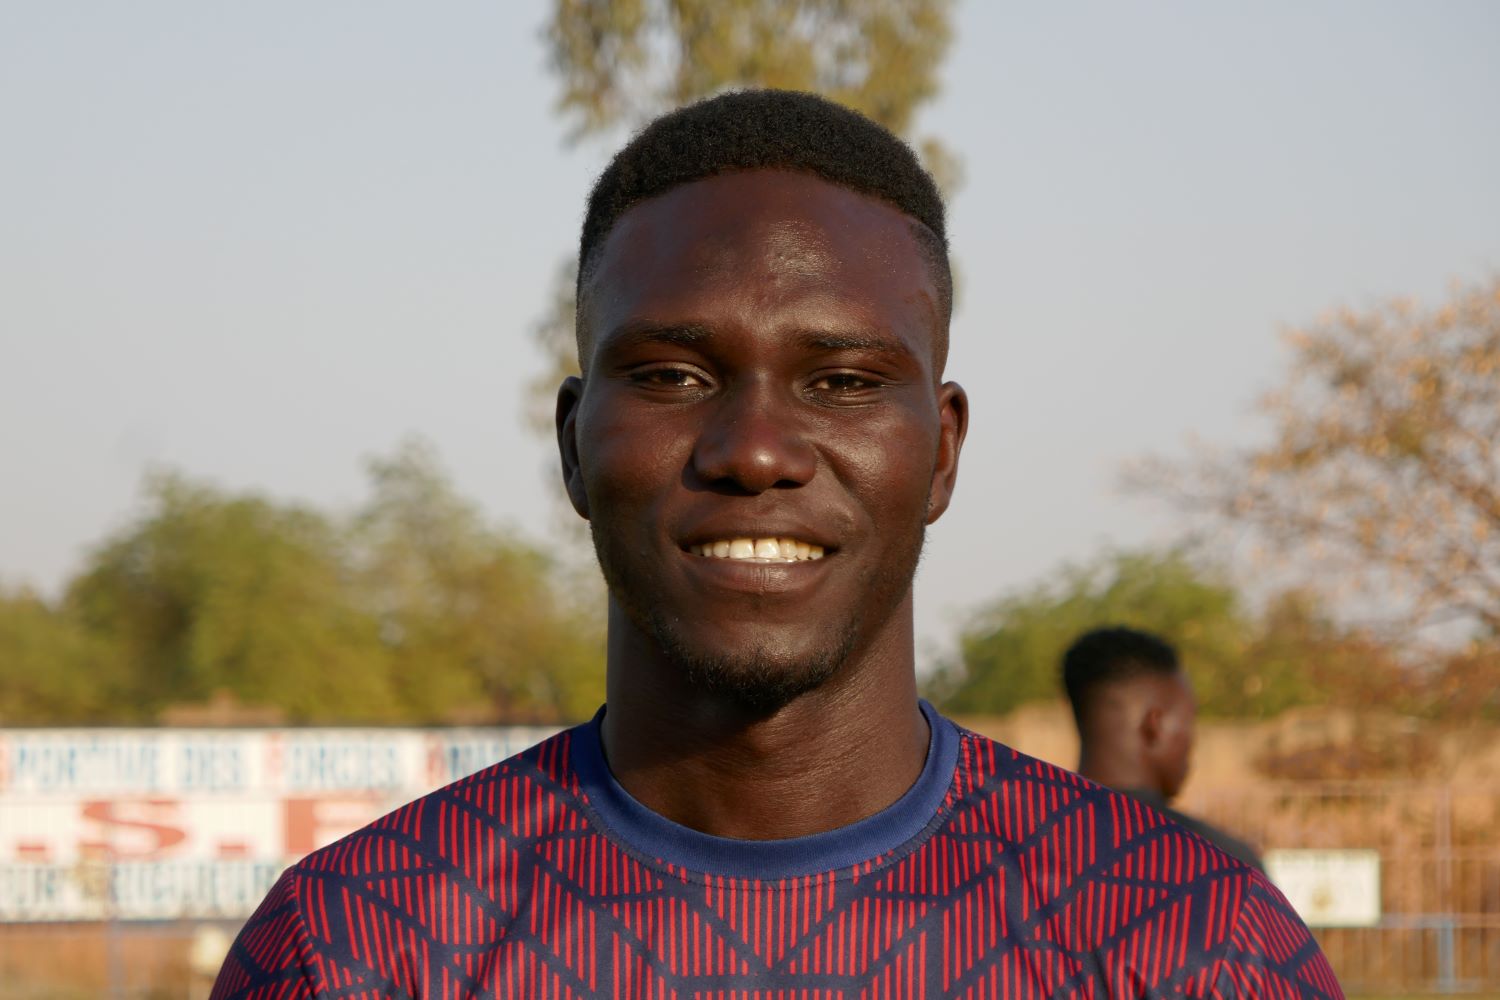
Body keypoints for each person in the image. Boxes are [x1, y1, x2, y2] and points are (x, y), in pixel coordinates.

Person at [213, 90, 1340, 998]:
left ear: (940, 452)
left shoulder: (1188, 941)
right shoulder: (360, 946)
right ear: (572, 444)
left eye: (843, 382)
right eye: (672, 376)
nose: (755, 451)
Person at [1063, 625, 1265, 869]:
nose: (1192, 740)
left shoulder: (1018, 852)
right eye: (1189, 720)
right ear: (1155, 726)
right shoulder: (1224, 864)